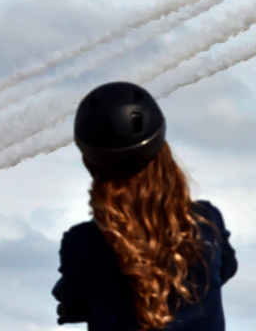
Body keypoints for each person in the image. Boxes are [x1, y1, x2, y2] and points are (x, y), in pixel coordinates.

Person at [54, 82, 237, 330]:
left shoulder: (84, 243)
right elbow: (226, 269)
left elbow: (71, 299)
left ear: (91, 161)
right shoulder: (207, 222)